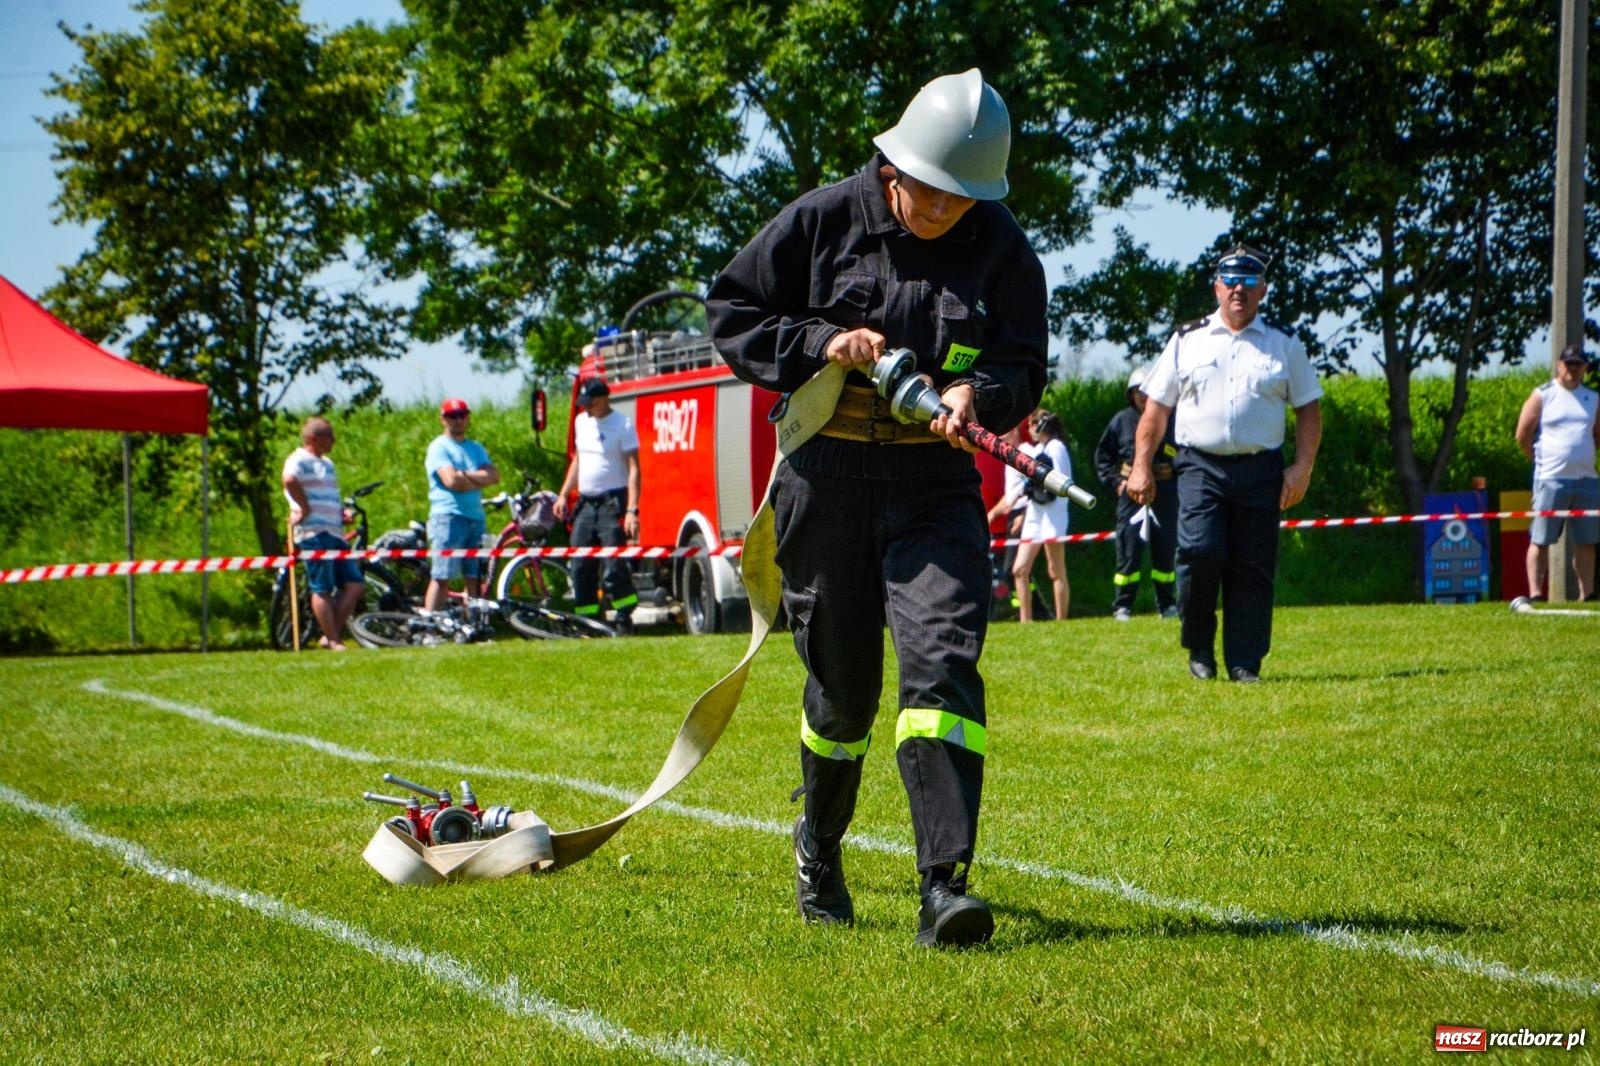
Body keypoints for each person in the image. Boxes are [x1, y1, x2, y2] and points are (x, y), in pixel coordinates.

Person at [706, 68, 1047, 947]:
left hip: (936, 488)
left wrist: (982, 393)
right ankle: (819, 850)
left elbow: (1022, 361)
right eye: (929, 194)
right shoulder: (821, 220)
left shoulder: (1003, 247)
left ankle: (946, 883)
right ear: (894, 166)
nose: (942, 213)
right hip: (829, 480)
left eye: (961, 200)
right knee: (846, 691)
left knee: (940, 670)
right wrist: (824, 340)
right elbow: (732, 310)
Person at [1126, 244, 1322, 683]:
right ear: (1217, 288)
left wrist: (1302, 467)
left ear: (1263, 290)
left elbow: (1308, 410)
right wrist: (1141, 465)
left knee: (1252, 565)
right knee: (1199, 552)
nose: (1239, 290)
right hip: (1200, 467)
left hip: (1261, 469)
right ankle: (1199, 646)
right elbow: (1155, 412)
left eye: (1250, 282)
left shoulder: (1284, 344)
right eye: (1231, 281)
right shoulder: (1187, 339)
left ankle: (1244, 662)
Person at [554, 376, 642, 633]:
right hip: (586, 504)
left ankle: (624, 617)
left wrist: (631, 510)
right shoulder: (582, 422)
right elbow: (578, 461)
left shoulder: (622, 424)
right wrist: (563, 494)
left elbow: (634, 469)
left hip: (612, 502)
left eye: (589, 403)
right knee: (580, 564)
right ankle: (587, 621)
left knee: (614, 564)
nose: (586, 408)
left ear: (603, 399)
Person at [1513, 342, 1599, 601]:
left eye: (1579, 364)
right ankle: (1536, 593)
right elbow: (1523, 434)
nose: (1573, 368)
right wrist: (1538, 461)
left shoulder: (1593, 398)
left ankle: (1588, 594)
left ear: (1585, 368)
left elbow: (1597, 435)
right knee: (1541, 539)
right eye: (1569, 363)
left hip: (1586, 480)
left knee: (1587, 541)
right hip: (1550, 478)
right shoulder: (1543, 394)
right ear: (1559, 365)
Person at [1095, 366, 1178, 621]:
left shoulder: (1170, 419)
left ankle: (1167, 605)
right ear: (1131, 395)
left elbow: (1185, 451)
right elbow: (1103, 456)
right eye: (1137, 392)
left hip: (1164, 491)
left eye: (1147, 391)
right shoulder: (1121, 420)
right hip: (1131, 493)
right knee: (1128, 549)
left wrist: (1174, 469)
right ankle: (1123, 606)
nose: (1143, 396)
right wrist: (1116, 483)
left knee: (1165, 548)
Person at [281, 416, 363, 650]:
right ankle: (334, 639)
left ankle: (330, 634)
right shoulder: (297, 459)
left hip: (334, 532)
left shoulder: (328, 463)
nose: (333, 440)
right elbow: (289, 480)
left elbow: (328, 496)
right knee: (322, 588)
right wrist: (304, 509)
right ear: (312, 438)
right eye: (329, 435)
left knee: (355, 584)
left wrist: (341, 513)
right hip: (313, 533)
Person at [424, 398, 499, 611]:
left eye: (462, 415)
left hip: (476, 517)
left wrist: (464, 474)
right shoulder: (439, 447)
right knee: (442, 576)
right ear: (443, 419)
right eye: (452, 416)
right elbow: (451, 482)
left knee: (474, 576)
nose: (458, 420)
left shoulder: (476, 448)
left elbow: (494, 476)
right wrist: (477, 478)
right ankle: (430, 626)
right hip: (448, 517)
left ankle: (474, 624)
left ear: (468, 417)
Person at [1012, 410, 1071, 622]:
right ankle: (1025, 621)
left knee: (1055, 570)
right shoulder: (1039, 449)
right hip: (1035, 512)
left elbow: (1058, 482)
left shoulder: (1056, 448)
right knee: (1020, 569)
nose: (1028, 431)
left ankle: (1061, 620)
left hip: (1052, 512)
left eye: (1031, 425)